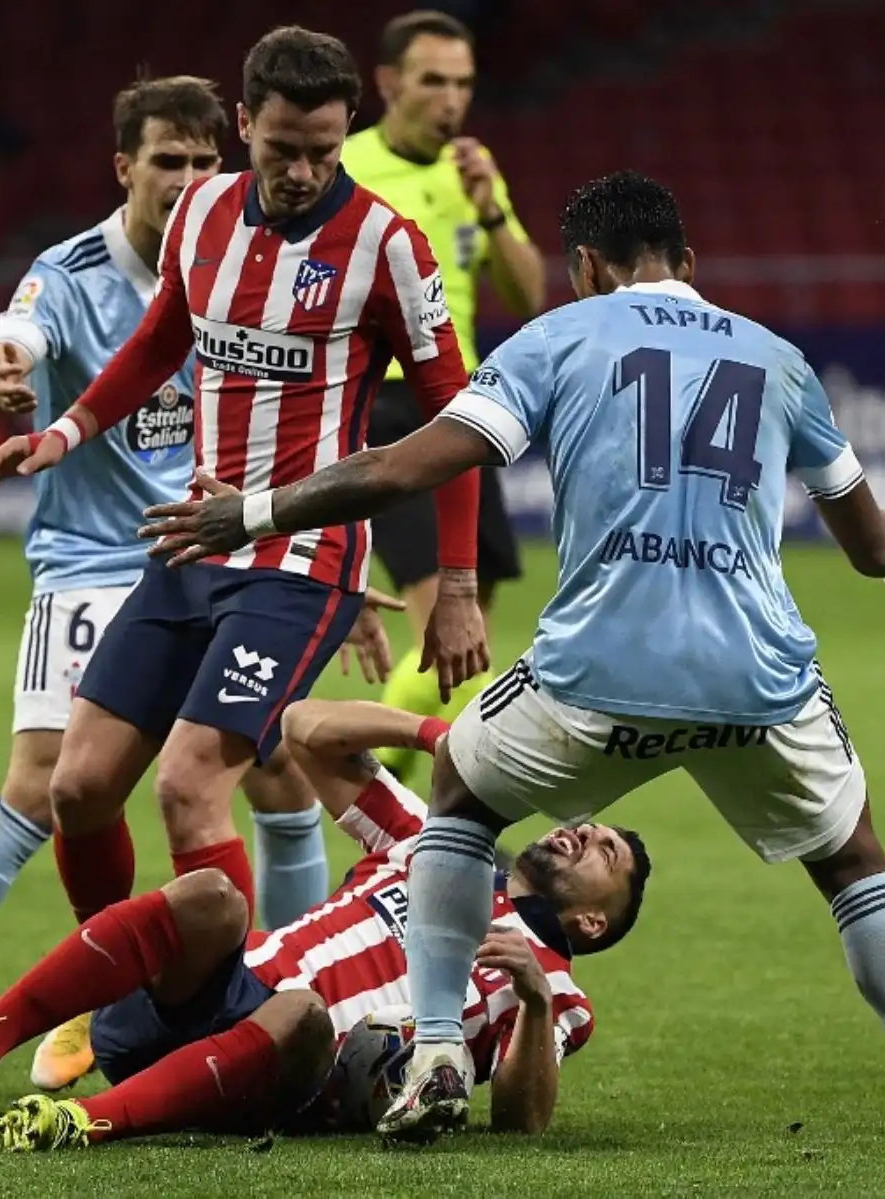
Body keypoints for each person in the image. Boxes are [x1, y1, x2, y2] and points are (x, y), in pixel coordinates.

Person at [139, 171, 885, 1159]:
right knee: (853, 862)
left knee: (458, 786)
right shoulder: (779, 359)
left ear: (583, 267)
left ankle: (440, 1051)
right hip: (756, 678)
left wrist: (246, 511)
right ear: (690, 264)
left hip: (597, 670)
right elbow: (874, 549)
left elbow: (403, 467)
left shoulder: (555, 338)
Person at [0, 21, 491, 1085]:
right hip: (191, 542)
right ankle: (125, 988)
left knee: (189, 782)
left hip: (299, 560)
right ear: (242, 126)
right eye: (282, 148)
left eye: (325, 151)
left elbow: (460, 418)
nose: (303, 172)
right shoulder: (204, 211)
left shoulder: (388, 245)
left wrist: (458, 584)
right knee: (76, 789)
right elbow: (160, 339)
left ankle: (227, 1023)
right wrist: (62, 433)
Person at [0, 74, 393, 1090]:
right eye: (168, 160)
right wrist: (2, 384)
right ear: (125, 167)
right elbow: (1, 356)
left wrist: (328, 572)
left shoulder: (257, 260)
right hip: (98, 561)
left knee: (278, 765)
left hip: (232, 553)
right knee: (49, 785)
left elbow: (304, 430)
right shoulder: (70, 272)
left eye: (206, 161)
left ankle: (280, 989)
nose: (190, 178)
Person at [0, 696, 650, 1149]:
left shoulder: (558, 992)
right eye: (593, 827)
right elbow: (302, 726)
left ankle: (84, 1121)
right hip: (207, 997)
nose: (584, 832)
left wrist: (536, 998)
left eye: (605, 852)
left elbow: (521, 1124)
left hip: (295, 1071)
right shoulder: (431, 842)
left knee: (302, 1009)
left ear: (589, 921)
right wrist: (434, 734)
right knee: (212, 895)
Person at [341, 10, 546, 791]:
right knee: (441, 634)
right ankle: (356, 788)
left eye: (462, 82)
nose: (451, 99)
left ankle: (388, 812)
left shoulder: (474, 170)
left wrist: (490, 207)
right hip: (385, 407)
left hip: (465, 412)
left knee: (466, 644)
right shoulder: (350, 167)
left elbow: (529, 295)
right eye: (433, 80)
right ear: (389, 82)